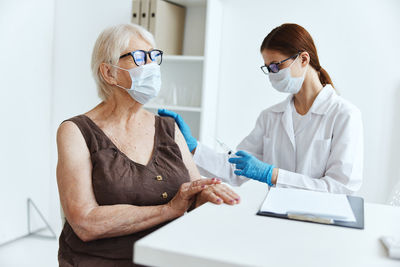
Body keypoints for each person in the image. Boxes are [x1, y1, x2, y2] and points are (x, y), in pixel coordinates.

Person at [56, 23, 240, 267]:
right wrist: (168, 209)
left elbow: (193, 195)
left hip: (165, 257)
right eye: (140, 58)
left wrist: (210, 193)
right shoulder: (75, 131)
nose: (151, 66)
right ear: (109, 72)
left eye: (154, 57)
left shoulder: (168, 127)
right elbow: (85, 222)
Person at [160, 23, 363, 194]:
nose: (272, 74)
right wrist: (193, 146)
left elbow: (340, 188)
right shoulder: (271, 117)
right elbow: (233, 169)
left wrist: (272, 175)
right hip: (276, 216)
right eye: (268, 68)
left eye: (276, 66)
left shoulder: (344, 115)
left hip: (322, 223)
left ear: (303, 59)